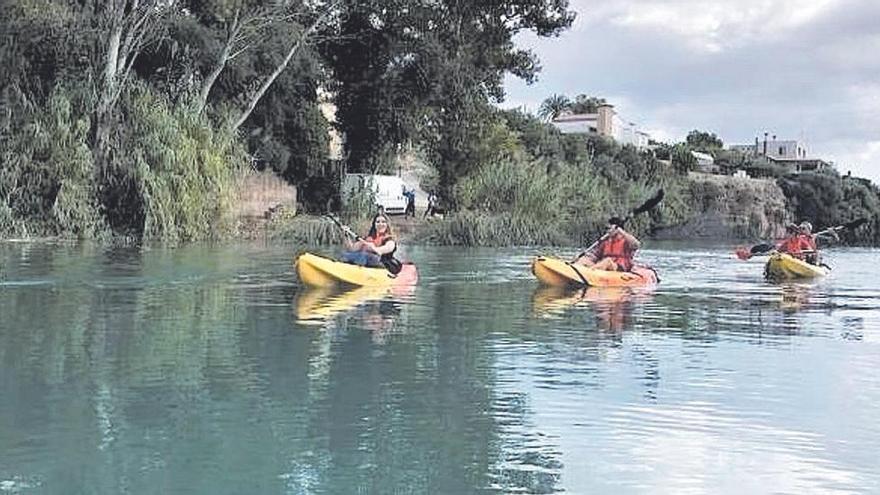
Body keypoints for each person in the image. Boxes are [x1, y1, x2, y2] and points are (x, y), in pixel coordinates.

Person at [574, 216, 641, 271]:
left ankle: (590, 272)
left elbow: (636, 244)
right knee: (583, 260)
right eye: (607, 228)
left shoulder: (626, 241)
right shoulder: (605, 242)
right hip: (601, 266)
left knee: (607, 261)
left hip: (619, 267)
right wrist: (583, 258)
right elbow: (595, 256)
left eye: (609, 228)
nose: (607, 231)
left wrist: (620, 231)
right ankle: (575, 271)